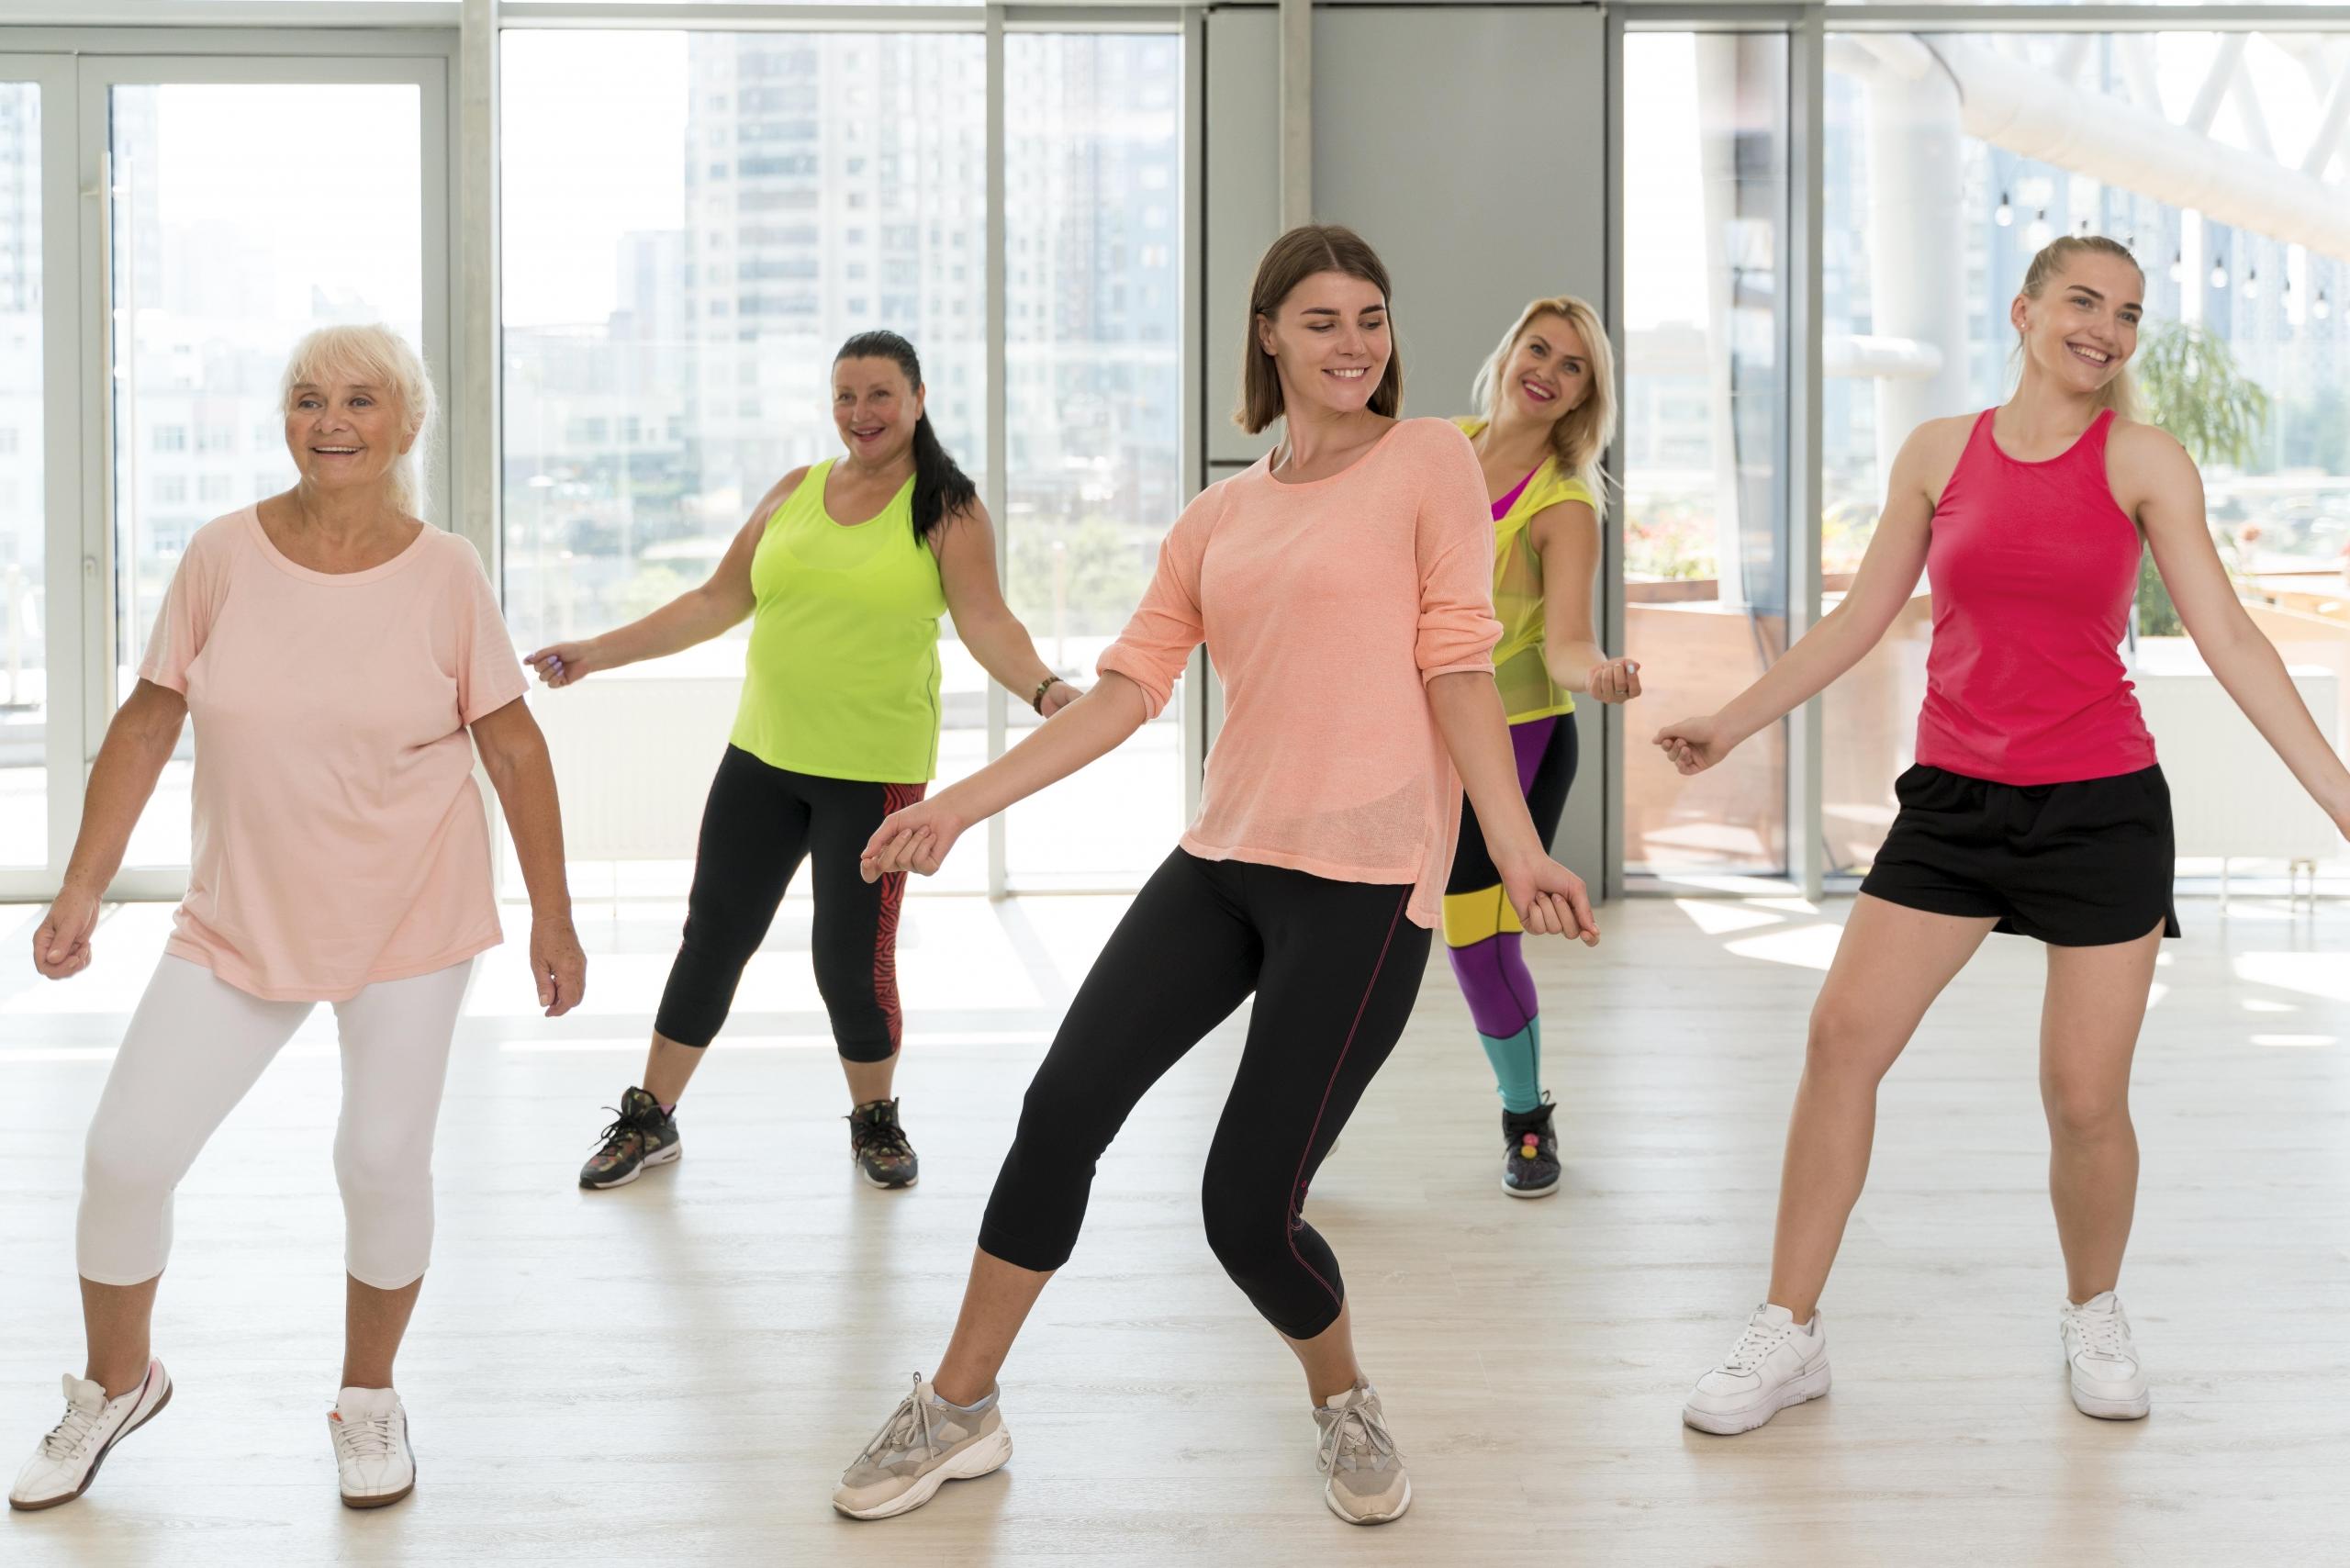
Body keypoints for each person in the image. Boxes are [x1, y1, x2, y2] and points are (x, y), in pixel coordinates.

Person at [829, 225, 1599, 1527]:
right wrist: (956, 805)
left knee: (1246, 1212)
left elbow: (1459, 663)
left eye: (1371, 317)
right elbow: (1127, 689)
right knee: (1059, 1112)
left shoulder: (1427, 461)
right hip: (1223, 862)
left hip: (1365, 885)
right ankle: (960, 1406)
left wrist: (1516, 850)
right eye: (1322, 320)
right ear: (1268, 335)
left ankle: (1342, 1397)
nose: (1353, 343)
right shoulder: (1219, 516)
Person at [1661, 237, 2350, 1436]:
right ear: (2025, 310)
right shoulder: (1940, 453)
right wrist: (1730, 723)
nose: (2105, 328)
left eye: (2127, 313)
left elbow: (2231, 637)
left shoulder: (2142, 460)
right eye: (2083, 301)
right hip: (1954, 806)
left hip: (2101, 808)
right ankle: (1789, 1328)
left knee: (2083, 1098)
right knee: (1840, 1041)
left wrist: (2339, 796)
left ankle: (2094, 1310)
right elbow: (1859, 619)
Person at [9, 324, 584, 1512]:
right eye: (308, 398)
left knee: (378, 1158)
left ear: (405, 424)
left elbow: (515, 748)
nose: (331, 421)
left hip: (410, 913)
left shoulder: (446, 572)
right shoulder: (223, 555)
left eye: (360, 400)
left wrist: (553, 918)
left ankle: (368, 1397)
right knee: (125, 1154)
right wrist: (81, 886)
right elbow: (147, 721)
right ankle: (118, 1382)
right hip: (241, 913)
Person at [532, 330, 1077, 1193]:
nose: (861, 413)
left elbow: (986, 622)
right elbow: (715, 600)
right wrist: (598, 651)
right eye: (845, 396)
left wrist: (1046, 690)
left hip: (873, 773)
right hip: (763, 758)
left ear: (918, 399)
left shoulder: (947, 509)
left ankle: (875, 1120)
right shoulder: (795, 490)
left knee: (849, 963)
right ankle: (651, 1117)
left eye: (880, 394)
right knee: (713, 938)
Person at [1448, 295, 1638, 1197]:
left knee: (1476, 945)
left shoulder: (1563, 505)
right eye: (1539, 349)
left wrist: (1596, 673)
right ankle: (1300, 1129)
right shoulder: (1436, 449)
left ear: (1584, 398)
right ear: (1507, 354)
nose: (1549, 372)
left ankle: (1525, 1118)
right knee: (1352, 943)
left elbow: (1565, 642)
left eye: (1573, 367)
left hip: (1515, 745)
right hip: (1412, 736)